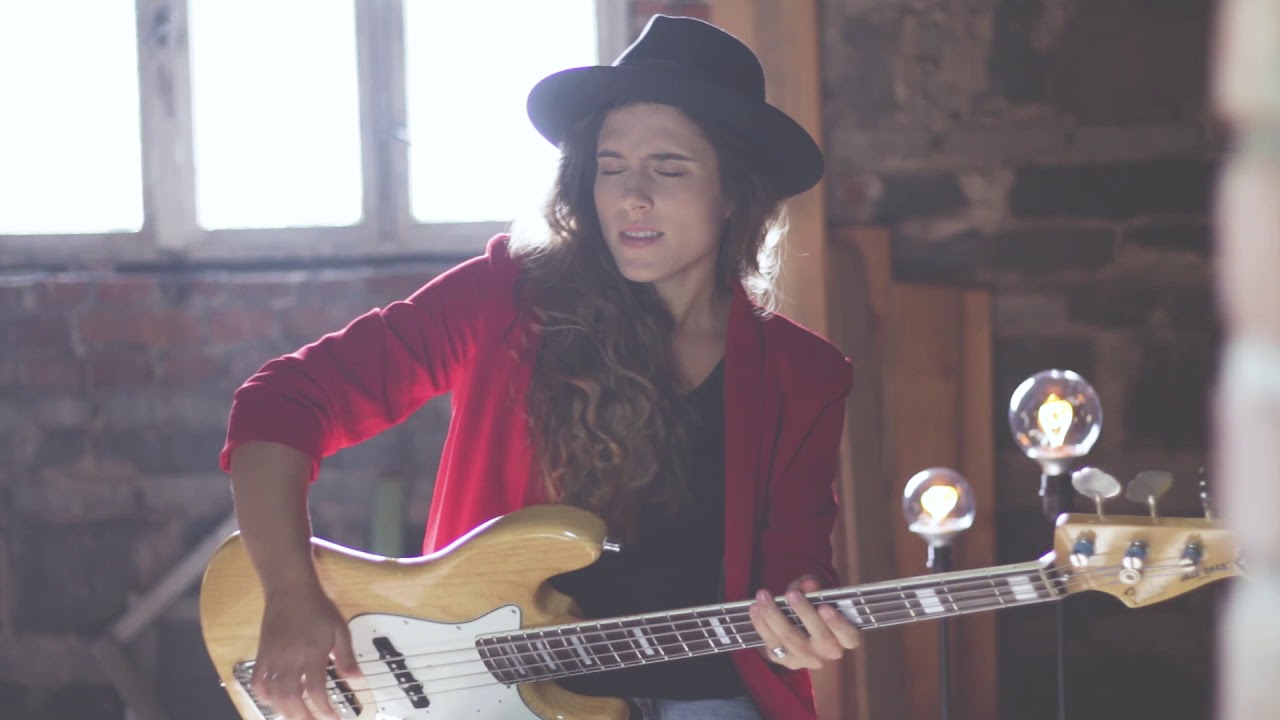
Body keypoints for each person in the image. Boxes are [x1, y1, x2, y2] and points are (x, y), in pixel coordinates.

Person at [220, 14, 859, 720]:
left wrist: (801, 617)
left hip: (705, 695)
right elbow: (280, 403)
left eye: (668, 168)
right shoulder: (504, 300)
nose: (632, 194)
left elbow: (794, 562)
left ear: (734, 191)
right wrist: (290, 593)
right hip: (493, 700)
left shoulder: (805, 374)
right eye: (610, 167)